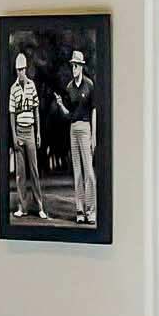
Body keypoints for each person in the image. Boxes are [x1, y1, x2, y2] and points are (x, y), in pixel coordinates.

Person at [55, 43, 100, 228]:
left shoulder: (89, 85)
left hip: (86, 127)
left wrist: (93, 135)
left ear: (81, 66)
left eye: (76, 65)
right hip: (73, 129)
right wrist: (60, 105)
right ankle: (80, 211)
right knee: (78, 172)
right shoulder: (69, 87)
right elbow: (69, 114)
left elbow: (94, 110)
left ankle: (91, 211)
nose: (73, 68)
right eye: (72, 65)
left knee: (89, 171)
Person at [8, 46, 43, 223]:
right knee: (20, 173)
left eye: (23, 69)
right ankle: (22, 207)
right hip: (19, 131)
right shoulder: (13, 89)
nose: (21, 72)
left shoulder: (31, 85)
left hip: (30, 130)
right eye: (18, 70)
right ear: (16, 70)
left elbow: (36, 110)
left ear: (26, 69)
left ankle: (40, 206)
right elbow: (12, 114)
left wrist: (38, 133)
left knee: (34, 170)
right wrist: (14, 136)